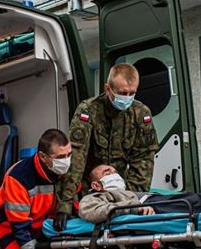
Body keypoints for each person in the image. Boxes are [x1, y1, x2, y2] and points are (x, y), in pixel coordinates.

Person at [55, 63, 158, 230]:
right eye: (123, 93)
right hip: (90, 190)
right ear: (108, 89)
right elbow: (76, 159)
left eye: (132, 93)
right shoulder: (88, 111)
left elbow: (143, 162)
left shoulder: (140, 114)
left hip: (119, 187)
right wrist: (65, 205)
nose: (127, 98)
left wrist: (131, 200)